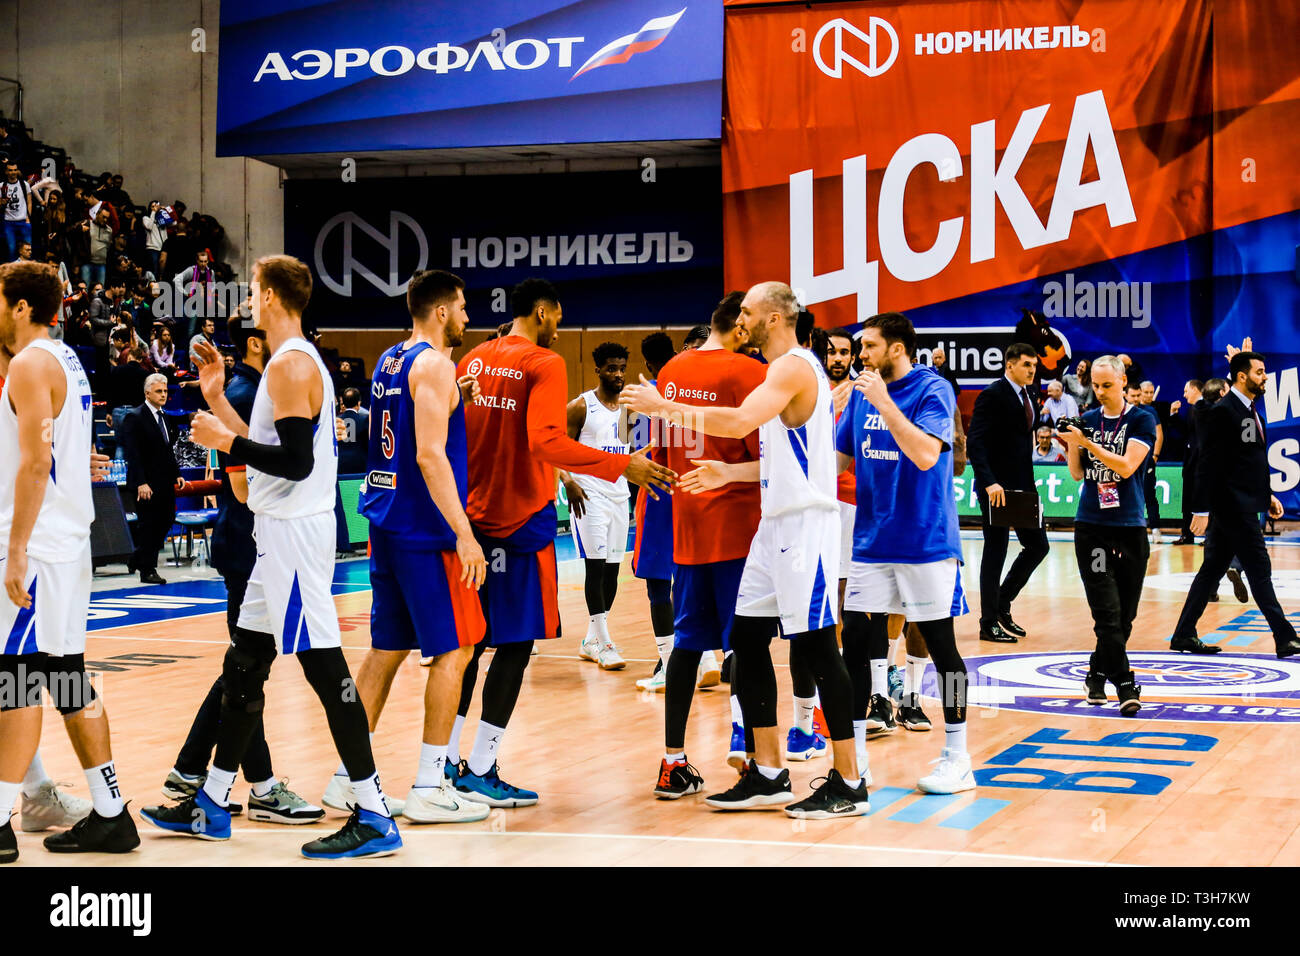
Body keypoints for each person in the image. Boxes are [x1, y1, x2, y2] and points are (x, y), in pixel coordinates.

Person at [140, 254, 403, 859]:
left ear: (271, 297)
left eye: (253, 291)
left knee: (321, 665)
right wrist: (217, 400)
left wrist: (225, 439)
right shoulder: (295, 361)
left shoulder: (287, 365)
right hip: (280, 528)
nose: (247, 300)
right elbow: (273, 445)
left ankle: (373, 811)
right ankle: (211, 801)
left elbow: (294, 463)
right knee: (247, 659)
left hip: (293, 533)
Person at [623, 281, 869, 819]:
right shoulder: (781, 371)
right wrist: (729, 471)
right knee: (749, 637)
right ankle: (769, 771)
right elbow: (779, 453)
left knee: (819, 646)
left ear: (774, 319)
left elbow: (738, 421)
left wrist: (663, 405)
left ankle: (851, 780)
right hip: (773, 525)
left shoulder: (792, 367)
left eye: (751, 314)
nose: (743, 321)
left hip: (806, 526)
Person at [447, 278, 673, 808]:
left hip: (471, 521)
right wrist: (625, 464)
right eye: (557, 315)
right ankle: (480, 766)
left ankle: (441, 765)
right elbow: (546, 441)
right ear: (544, 313)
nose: (559, 323)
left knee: (469, 646)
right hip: (521, 521)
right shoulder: (545, 364)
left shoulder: (474, 359)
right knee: (517, 644)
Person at [320, 269, 490, 825]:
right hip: (427, 531)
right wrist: (464, 533)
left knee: (387, 648)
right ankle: (429, 784)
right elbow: (428, 455)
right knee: (456, 650)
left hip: (384, 523)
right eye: (461, 307)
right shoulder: (438, 364)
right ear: (440, 311)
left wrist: (453, 398)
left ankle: (348, 779)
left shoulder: (393, 359)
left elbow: (405, 423)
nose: (466, 317)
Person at [0, 261, 140, 862]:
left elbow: (36, 463)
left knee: (19, 683)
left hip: (39, 547)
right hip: (63, 543)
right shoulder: (67, 358)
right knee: (65, 678)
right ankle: (111, 814)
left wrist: (15, 550)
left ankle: (1, 820)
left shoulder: (31, 363)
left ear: (22, 306)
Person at [158, 317, 322, 822]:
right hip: (252, 541)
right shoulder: (250, 390)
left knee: (246, 665)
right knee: (249, 668)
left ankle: (193, 768)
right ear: (256, 342)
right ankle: (260, 786)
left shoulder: (262, 387)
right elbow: (244, 486)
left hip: (257, 540)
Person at [833, 311, 974, 792]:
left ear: (896, 348)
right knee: (853, 642)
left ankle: (958, 756)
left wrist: (884, 403)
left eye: (868, 346)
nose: (860, 355)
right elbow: (836, 461)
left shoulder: (933, 390)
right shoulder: (858, 394)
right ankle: (853, 763)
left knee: (944, 651)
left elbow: (925, 454)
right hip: (871, 542)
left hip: (925, 541)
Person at [637, 293, 769, 798]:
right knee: (747, 644)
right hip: (739, 526)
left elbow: (663, 454)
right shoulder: (750, 372)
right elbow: (767, 458)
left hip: (687, 528)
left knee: (687, 647)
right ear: (741, 325)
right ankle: (747, 748)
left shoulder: (671, 369)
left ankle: (673, 762)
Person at [1171, 351, 1300, 659]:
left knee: (1212, 569)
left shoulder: (1255, 413)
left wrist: (1266, 496)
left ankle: (1183, 634)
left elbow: (1247, 463)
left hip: (1245, 502)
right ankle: (1285, 638)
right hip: (1231, 508)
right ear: (1242, 377)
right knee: (1259, 568)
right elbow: (1208, 462)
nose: (1265, 376)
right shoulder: (1223, 410)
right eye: (1259, 372)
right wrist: (1200, 509)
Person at [1056, 355, 1158, 713]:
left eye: (1107, 385)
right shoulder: (1087, 420)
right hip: (1093, 529)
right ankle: (1126, 684)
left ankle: (1096, 674)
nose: (1099, 392)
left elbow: (1128, 467)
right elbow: (1077, 475)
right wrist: (1071, 444)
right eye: (1095, 386)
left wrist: (1088, 444)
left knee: (1124, 617)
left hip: (1129, 528)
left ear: (1122, 380)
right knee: (1107, 615)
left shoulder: (1142, 419)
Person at [966, 343, 1049, 643]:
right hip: (996, 489)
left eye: (1034, 365)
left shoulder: (1030, 395)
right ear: (1009, 364)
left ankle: (1002, 603)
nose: (1031, 370)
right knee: (996, 550)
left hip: (1023, 486)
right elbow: (975, 442)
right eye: (1026, 364)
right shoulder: (992, 395)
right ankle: (988, 622)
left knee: (1039, 546)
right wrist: (989, 482)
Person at [561, 341, 634, 671]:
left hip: (620, 496)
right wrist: (568, 481)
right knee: (595, 566)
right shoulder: (580, 406)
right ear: (598, 370)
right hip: (588, 495)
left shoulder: (629, 409)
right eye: (611, 368)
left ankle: (592, 639)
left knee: (612, 572)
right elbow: (556, 448)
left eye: (621, 368)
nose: (617, 374)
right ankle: (604, 641)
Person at [630, 331, 683, 692]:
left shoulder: (644, 393)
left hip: (658, 490)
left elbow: (634, 451)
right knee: (696, 579)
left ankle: (669, 661)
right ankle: (717, 656)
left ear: (647, 363)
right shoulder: (690, 388)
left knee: (657, 583)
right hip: (695, 489)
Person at [118, 373, 183, 584]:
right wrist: (140, 482)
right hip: (145, 482)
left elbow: (168, 450)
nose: (163, 394)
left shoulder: (166, 417)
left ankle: (137, 557)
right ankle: (148, 570)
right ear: (147, 393)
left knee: (167, 520)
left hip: (164, 480)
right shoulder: (135, 417)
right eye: (159, 391)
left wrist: (177, 474)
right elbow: (133, 453)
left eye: (165, 391)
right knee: (149, 524)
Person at [1171, 379, 1204, 544]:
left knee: (1205, 500)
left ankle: (1210, 536)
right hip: (1191, 463)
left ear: (1195, 389)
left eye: (1186, 391)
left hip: (1200, 465)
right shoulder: (1192, 409)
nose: (1184, 395)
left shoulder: (1205, 409)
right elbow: (1187, 432)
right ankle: (1187, 534)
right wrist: (1174, 416)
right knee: (1187, 501)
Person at [1138, 381, 1166, 542]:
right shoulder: (1129, 409)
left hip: (1147, 461)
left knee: (1149, 495)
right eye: (1145, 392)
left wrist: (1154, 456)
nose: (1149, 395)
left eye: (1151, 392)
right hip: (1129, 461)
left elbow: (1159, 434)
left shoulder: (1151, 411)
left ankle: (1155, 529)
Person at [0, 162, 32, 263]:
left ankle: (28, 271)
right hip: (8, 222)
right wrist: (2, 203)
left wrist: (28, 217)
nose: (13, 172)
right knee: (11, 248)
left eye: (15, 170)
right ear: (6, 172)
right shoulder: (1, 186)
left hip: (23, 221)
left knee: (28, 249)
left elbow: (29, 202)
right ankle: (13, 272)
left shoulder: (24, 184)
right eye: (10, 170)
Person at [337, 386, 369, 475]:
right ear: (359, 404)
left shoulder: (336, 420)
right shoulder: (365, 419)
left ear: (343, 404)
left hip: (340, 465)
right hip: (360, 465)